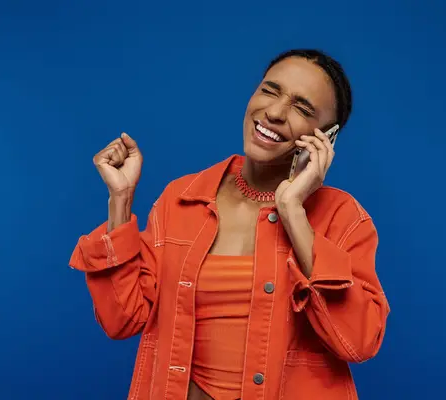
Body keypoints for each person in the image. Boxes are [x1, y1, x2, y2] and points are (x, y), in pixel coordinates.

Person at [69, 49, 390, 400]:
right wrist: (120, 200)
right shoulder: (182, 198)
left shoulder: (342, 217)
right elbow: (123, 320)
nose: (275, 113)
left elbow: (358, 342)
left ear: (327, 137)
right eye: (270, 90)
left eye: (302, 108)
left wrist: (293, 211)